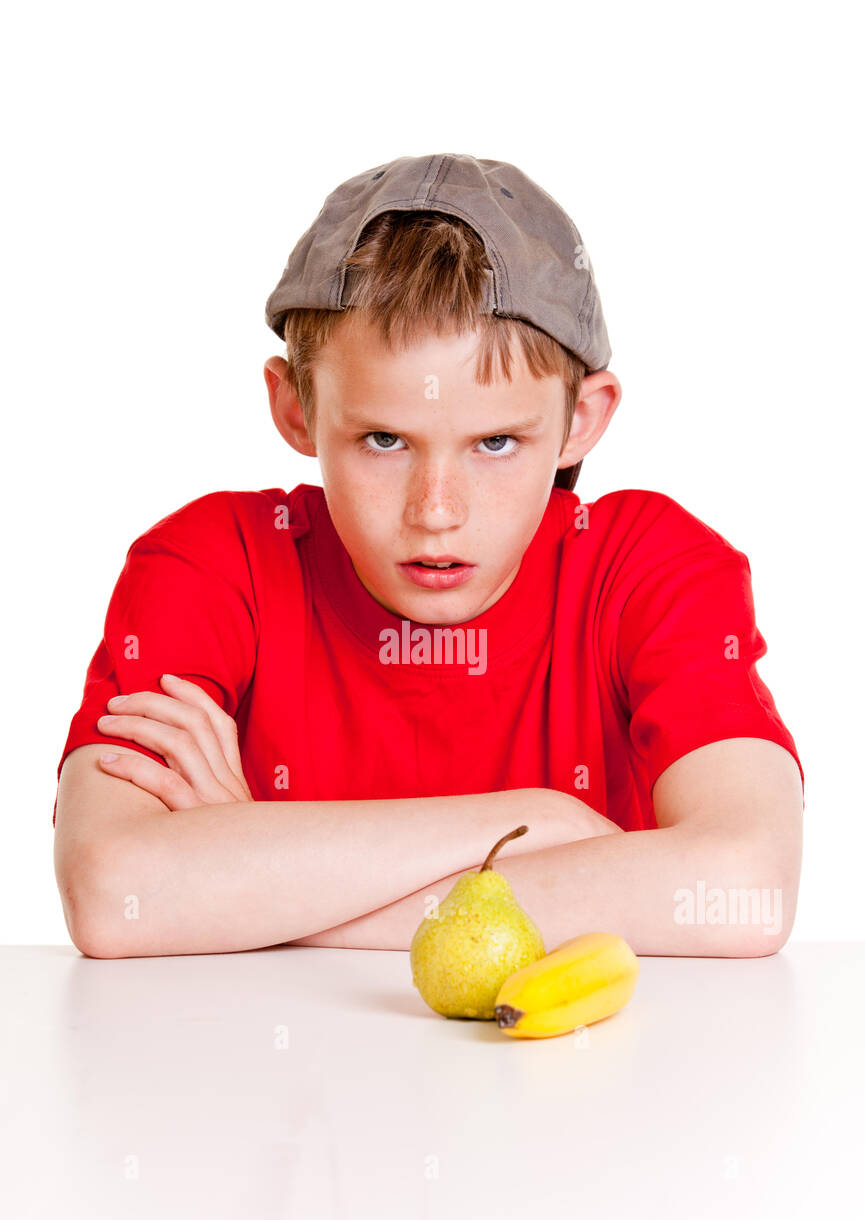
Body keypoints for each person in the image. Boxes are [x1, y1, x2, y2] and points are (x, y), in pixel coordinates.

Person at [53, 153, 804, 961]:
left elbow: (745, 886)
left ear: (581, 421)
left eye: (495, 442)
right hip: (279, 1084)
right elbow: (113, 895)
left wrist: (259, 885)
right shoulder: (207, 565)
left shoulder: (654, 570)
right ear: (294, 407)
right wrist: (537, 821)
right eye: (383, 440)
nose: (436, 513)